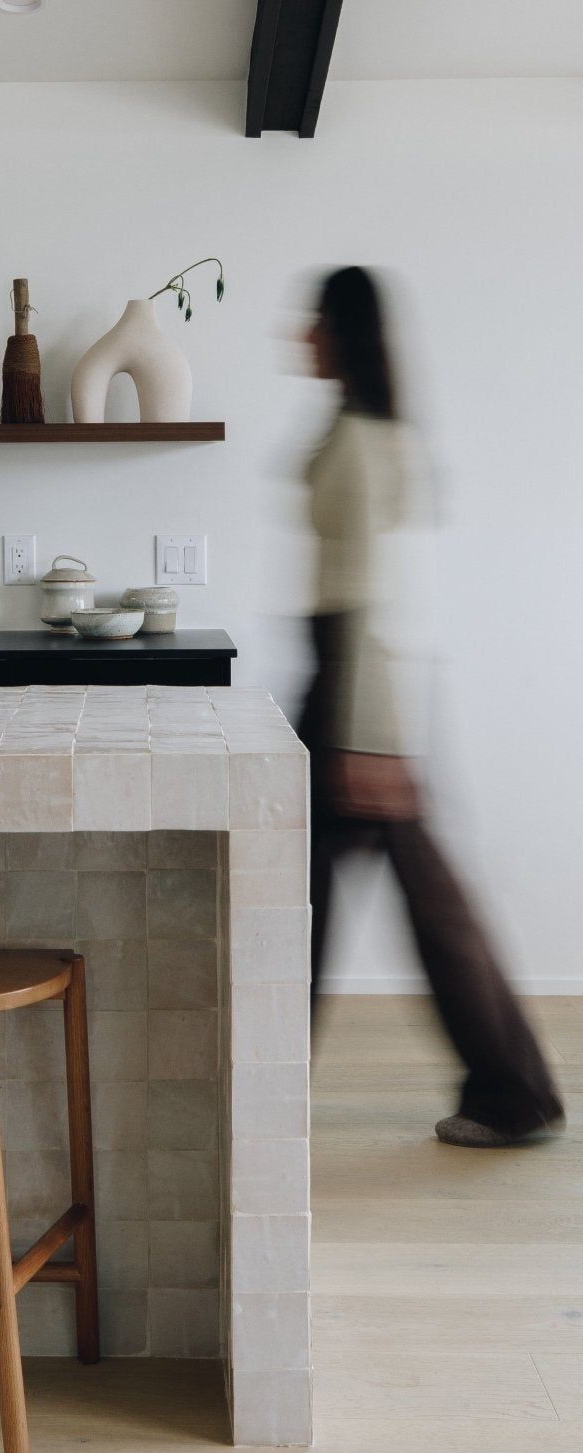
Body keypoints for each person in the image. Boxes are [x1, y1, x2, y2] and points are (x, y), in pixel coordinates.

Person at [298, 266, 563, 1147]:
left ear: (343, 332)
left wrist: (364, 737)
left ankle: (515, 1092)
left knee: (332, 899)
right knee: (307, 895)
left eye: (315, 321)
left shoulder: (366, 442)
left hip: (357, 692)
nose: (301, 335)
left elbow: (372, 595)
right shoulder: (363, 429)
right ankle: (510, 1088)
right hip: (351, 685)